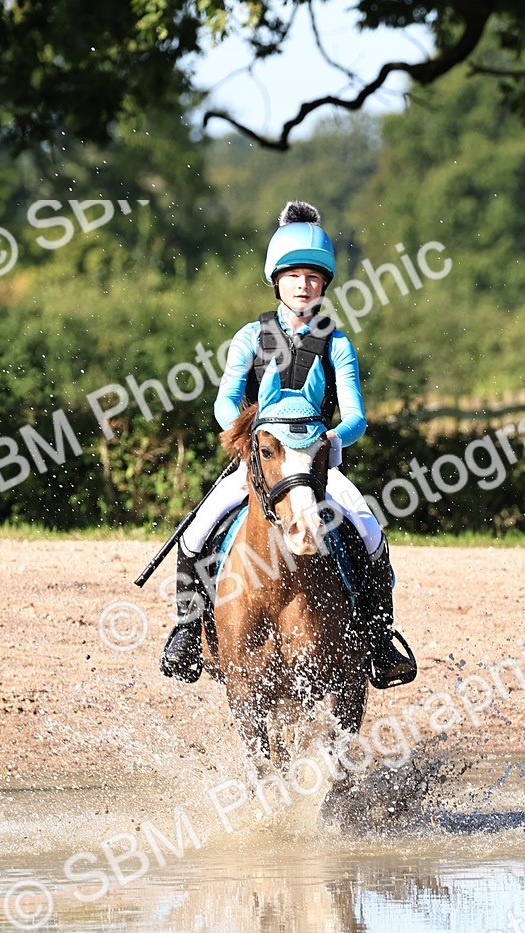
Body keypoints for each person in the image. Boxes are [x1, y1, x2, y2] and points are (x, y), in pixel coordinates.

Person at [159, 200, 415, 687]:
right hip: (263, 462)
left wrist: (331, 440)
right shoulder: (250, 338)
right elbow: (224, 402)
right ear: (277, 280)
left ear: (324, 285)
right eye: (294, 275)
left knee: (369, 531)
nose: (304, 285)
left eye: (313, 277)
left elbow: (357, 415)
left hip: (317, 465)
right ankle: (188, 631)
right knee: (195, 535)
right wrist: (244, 438)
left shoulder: (336, 343)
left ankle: (380, 639)